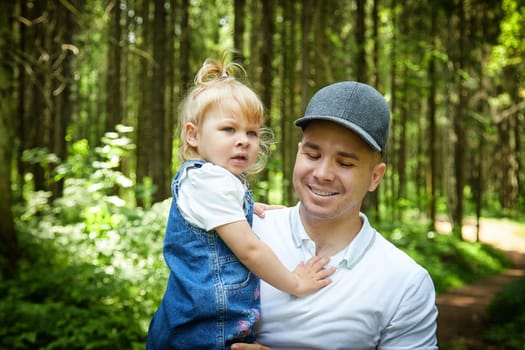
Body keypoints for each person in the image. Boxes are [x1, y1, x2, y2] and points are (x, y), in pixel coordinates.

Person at [146, 55, 335, 350]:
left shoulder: (211, 182)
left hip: (194, 326)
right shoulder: (209, 183)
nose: (243, 140)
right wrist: (295, 283)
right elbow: (249, 250)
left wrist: (250, 207)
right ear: (193, 135)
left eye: (251, 132)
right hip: (207, 333)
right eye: (228, 129)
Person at [232, 81, 438, 349]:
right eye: (313, 154)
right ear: (298, 153)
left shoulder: (405, 282)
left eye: (345, 163)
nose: (322, 174)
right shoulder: (246, 233)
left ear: (375, 177)